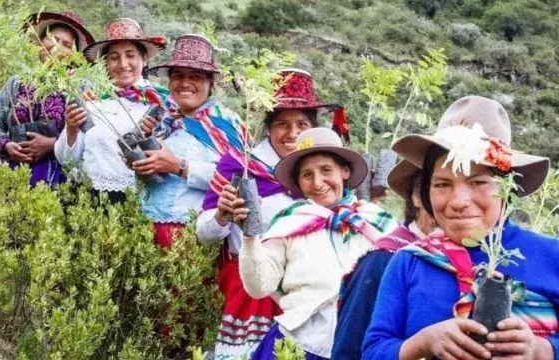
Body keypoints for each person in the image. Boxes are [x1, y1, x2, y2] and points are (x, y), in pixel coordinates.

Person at [362, 95, 559, 360]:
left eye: (478, 183)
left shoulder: (551, 256)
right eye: (442, 185)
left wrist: (540, 350)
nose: (459, 202)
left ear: (509, 188)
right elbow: (373, 351)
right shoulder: (408, 262)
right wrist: (423, 342)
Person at [196, 69, 348, 359]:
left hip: (307, 295)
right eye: (281, 124)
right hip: (252, 292)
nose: (292, 133)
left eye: (302, 123)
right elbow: (203, 232)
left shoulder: (321, 173)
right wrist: (222, 215)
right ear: (268, 127)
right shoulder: (240, 165)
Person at [235, 127, 398, 359]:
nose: (318, 183)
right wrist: (249, 237)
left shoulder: (378, 222)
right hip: (299, 345)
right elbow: (259, 286)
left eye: (326, 170)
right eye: (307, 175)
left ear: (344, 170)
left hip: (358, 346)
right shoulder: (290, 222)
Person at [136, 34, 246, 247]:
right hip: (146, 225)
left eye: (195, 76)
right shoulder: (162, 119)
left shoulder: (227, 124)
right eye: (178, 75)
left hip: (193, 233)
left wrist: (180, 167)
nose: (185, 83)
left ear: (210, 82)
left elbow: (238, 181)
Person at [332, 159, 437, 360]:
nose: (456, 200)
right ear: (416, 195)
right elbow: (350, 347)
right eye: (441, 186)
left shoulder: (478, 260)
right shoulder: (384, 259)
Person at [55, 18, 168, 203]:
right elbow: (66, 161)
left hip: (141, 203)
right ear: (105, 63)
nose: (123, 64)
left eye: (130, 55)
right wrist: (71, 129)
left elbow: (169, 162)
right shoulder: (93, 99)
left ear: (144, 59)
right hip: (87, 203)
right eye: (114, 57)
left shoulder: (161, 103)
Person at [0, 11, 94, 187]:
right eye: (54, 39)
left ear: (73, 54)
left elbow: (92, 136)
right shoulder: (15, 83)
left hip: (59, 179)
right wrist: (7, 145)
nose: (57, 48)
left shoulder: (79, 87)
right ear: (40, 42)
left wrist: (53, 144)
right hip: (11, 176)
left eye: (67, 44)